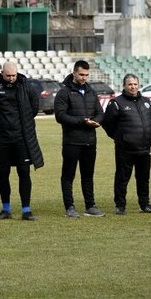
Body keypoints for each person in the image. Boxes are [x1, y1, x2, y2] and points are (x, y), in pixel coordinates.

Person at [0, 62, 44, 221]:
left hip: (21, 139)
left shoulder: (26, 86)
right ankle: (6, 209)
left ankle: (26, 210)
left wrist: (23, 123)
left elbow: (34, 105)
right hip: (1, 139)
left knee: (24, 173)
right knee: (3, 174)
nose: (11, 78)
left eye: (13, 75)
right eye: (8, 75)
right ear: (1, 73)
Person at [102, 74, 151, 215]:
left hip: (145, 148)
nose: (133, 87)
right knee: (122, 178)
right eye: (129, 84)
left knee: (144, 178)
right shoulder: (116, 103)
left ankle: (144, 205)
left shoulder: (146, 102)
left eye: (135, 84)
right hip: (125, 148)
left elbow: (150, 119)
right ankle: (120, 205)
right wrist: (121, 138)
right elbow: (107, 124)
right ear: (124, 86)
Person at [54, 60, 106, 218]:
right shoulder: (64, 92)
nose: (84, 78)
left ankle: (90, 206)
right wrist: (82, 121)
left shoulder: (91, 92)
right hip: (72, 141)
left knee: (88, 175)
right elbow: (60, 116)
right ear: (74, 73)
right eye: (81, 74)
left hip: (90, 141)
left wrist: (97, 121)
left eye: (86, 75)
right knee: (68, 175)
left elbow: (100, 112)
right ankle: (69, 207)